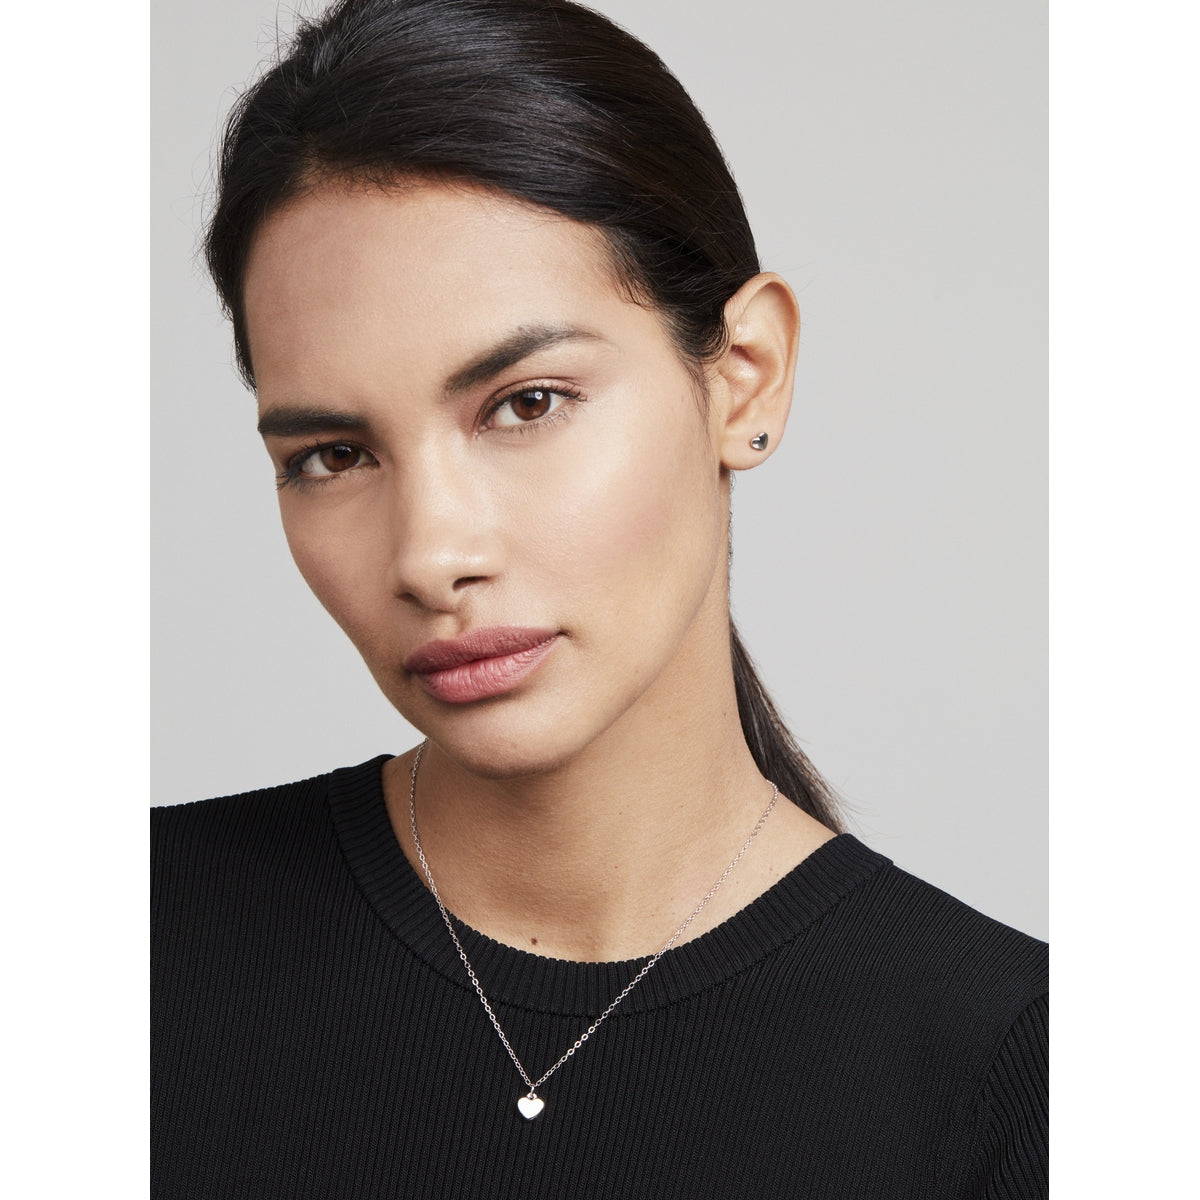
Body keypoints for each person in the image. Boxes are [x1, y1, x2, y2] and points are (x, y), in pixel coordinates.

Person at [151, 1, 1047, 1195]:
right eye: (334, 454)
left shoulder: (1014, 1077)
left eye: (526, 404)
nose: (430, 555)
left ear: (745, 379)